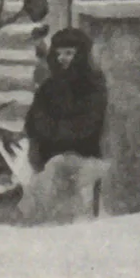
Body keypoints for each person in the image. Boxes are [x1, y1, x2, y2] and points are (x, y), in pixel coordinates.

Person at [24, 27, 108, 172]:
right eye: (58, 53)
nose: (61, 58)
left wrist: (54, 132)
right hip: (46, 161)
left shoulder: (94, 87)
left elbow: (88, 125)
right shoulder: (48, 87)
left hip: (82, 161)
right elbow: (34, 121)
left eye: (68, 53)